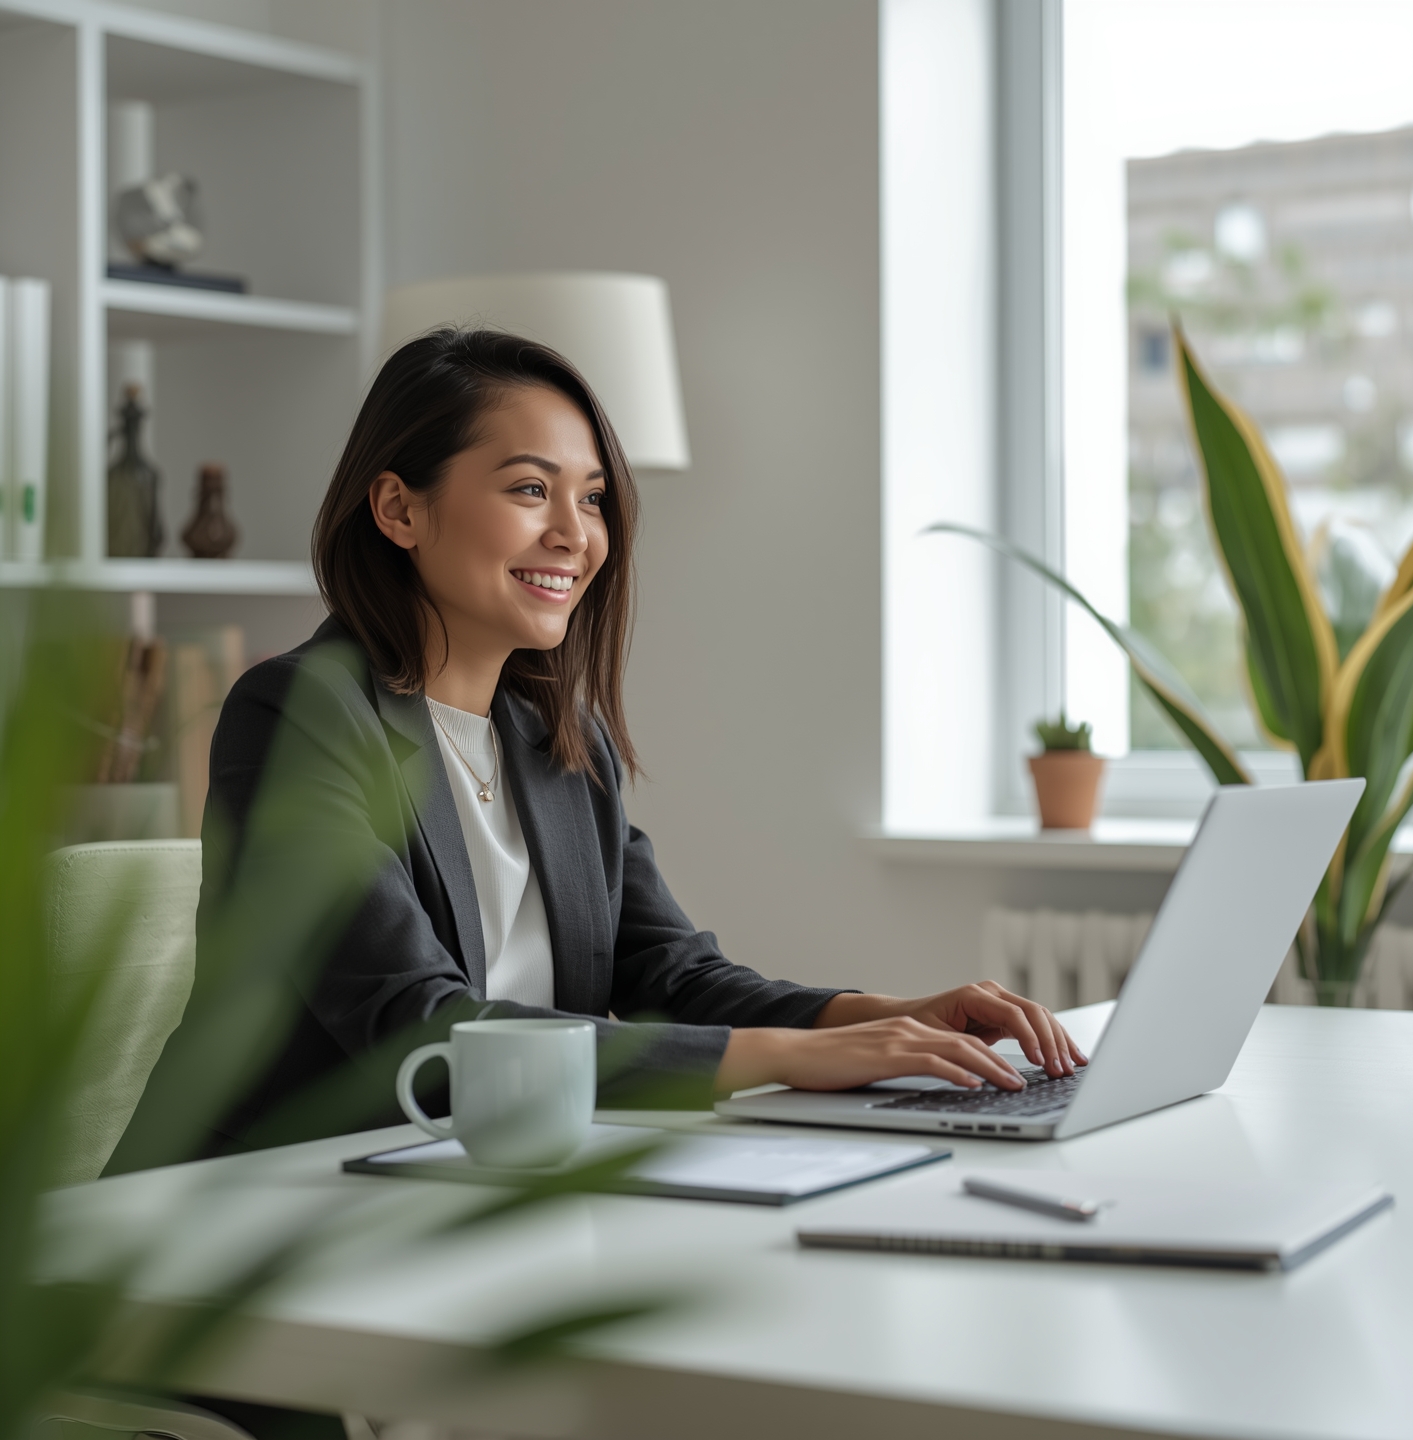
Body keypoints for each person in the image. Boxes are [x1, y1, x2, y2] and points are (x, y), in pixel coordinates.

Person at [146, 328, 1087, 1155]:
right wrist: (798, 1059)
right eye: (529, 489)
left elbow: (667, 975)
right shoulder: (298, 715)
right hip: (254, 1213)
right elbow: (418, 1029)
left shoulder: (560, 739)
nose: (575, 535)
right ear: (398, 510)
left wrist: (887, 1016)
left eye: (592, 500)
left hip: (462, 1185)